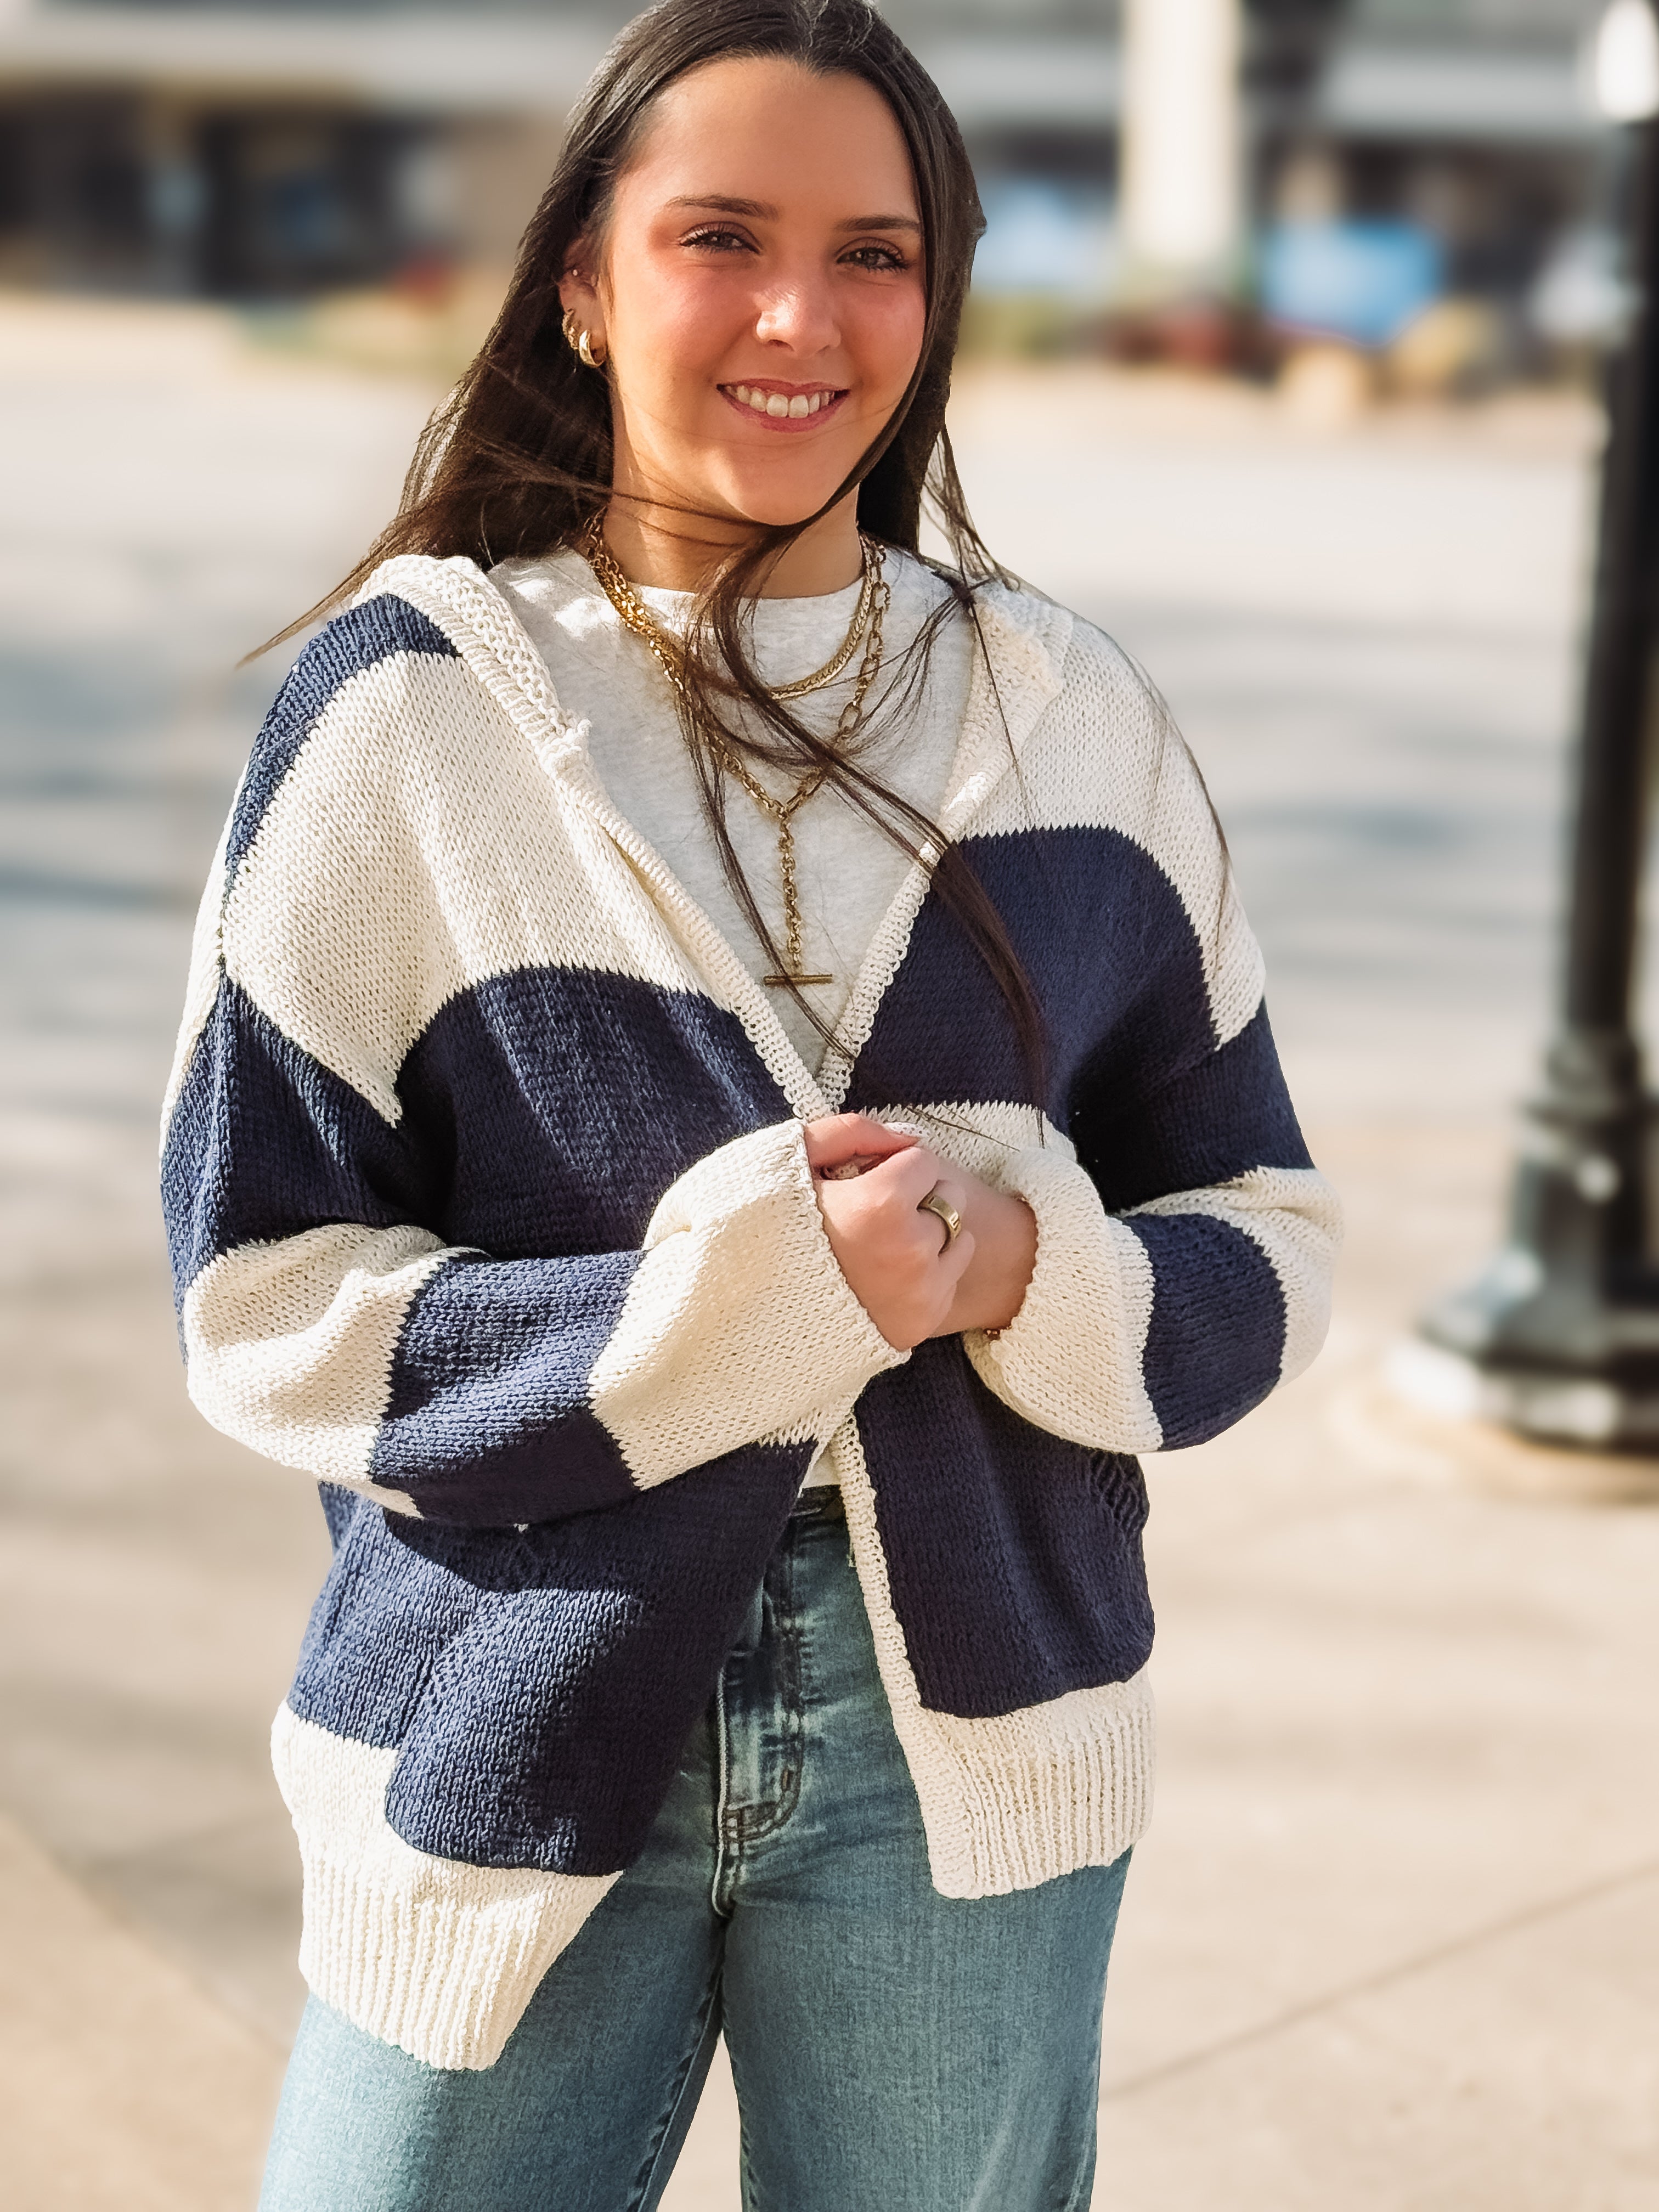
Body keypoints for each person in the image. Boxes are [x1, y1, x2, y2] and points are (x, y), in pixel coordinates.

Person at [160, 2, 1340, 2204]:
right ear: (585, 288)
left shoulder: (1069, 718)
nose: (805, 316)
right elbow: (259, 1301)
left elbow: (1266, 1231)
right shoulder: (411, 721)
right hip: (508, 1705)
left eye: (878, 253)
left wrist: (1025, 1263)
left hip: (970, 1725)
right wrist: (747, 1308)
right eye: (722, 236)